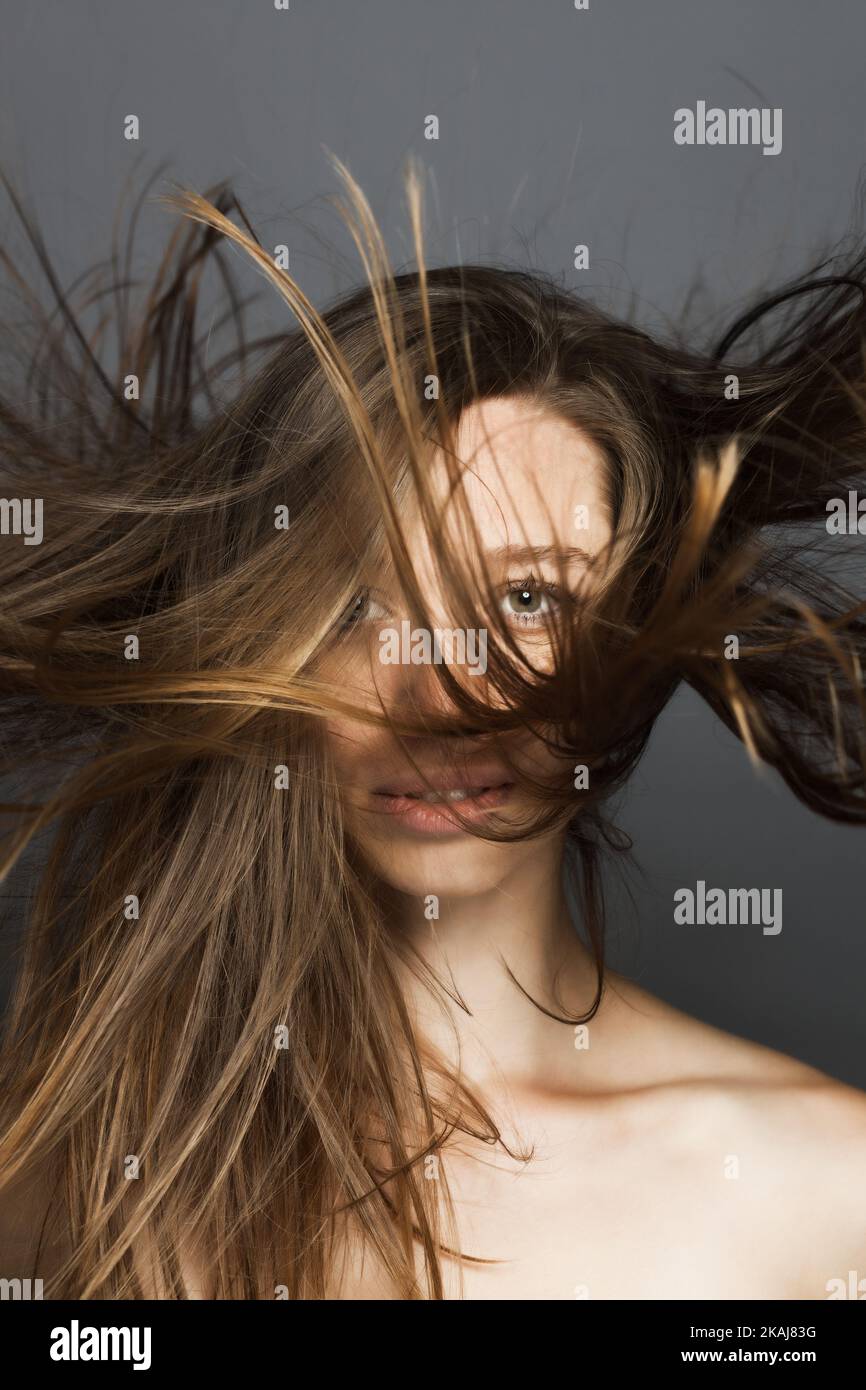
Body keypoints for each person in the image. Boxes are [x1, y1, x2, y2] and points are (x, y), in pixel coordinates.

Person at [1, 158, 865, 1299]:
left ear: (635, 618)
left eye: (526, 599)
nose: (446, 698)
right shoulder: (72, 1179)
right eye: (357, 606)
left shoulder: (824, 1193)